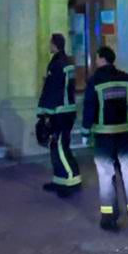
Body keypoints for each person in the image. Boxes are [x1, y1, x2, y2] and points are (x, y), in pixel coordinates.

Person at [81, 45, 128, 230]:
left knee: (106, 176)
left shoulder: (95, 81)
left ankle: (109, 217)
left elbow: (89, 108)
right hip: (125, 134)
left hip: (104, 136)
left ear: (100, 59)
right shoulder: (127, 79)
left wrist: (85, 132)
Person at [35, 34, 80, 196]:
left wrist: (43, 112)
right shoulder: (67, 62)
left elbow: (52, 89)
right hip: (67, 110)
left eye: (50, 43)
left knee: (60, 146)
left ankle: (71, 179)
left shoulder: (56, 64)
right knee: (57, 145)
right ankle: (59, 179)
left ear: (54, 45)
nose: (49, 45)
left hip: (60, 111)